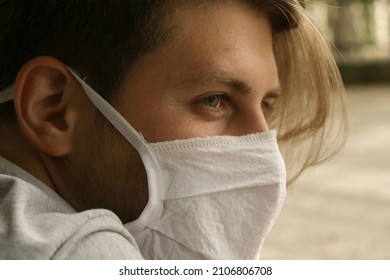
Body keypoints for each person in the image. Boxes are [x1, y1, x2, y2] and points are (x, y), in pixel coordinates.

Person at [0, 0, 347, 259]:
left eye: (266, 107)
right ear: (53, 109)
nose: (268, 156)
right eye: (214, 100)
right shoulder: (79, 253)